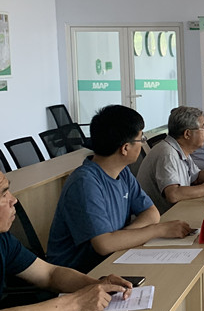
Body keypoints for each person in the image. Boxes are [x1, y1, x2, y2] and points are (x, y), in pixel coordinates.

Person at [47, 105, 192, 273]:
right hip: (80, 273)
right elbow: (104, 244)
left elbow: (151, 213)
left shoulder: (122, 172)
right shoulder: (85, 183)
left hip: (112, 258)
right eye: (141, 139)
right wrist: (158, 230)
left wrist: (120, 237)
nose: (143, 143)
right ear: (125, 148)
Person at [0, 170, 133, 311]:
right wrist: (75, 302)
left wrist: (96, 285)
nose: (14, 200)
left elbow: (50, 274)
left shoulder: (3, 239)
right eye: (3, 194)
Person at [137, 106, 204, 214]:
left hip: (178, 211)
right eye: (203, 128)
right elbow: (173, 194)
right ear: (187, 134)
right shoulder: (167, 153)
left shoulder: (180, 149)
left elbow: (197, 176)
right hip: (163, 218)